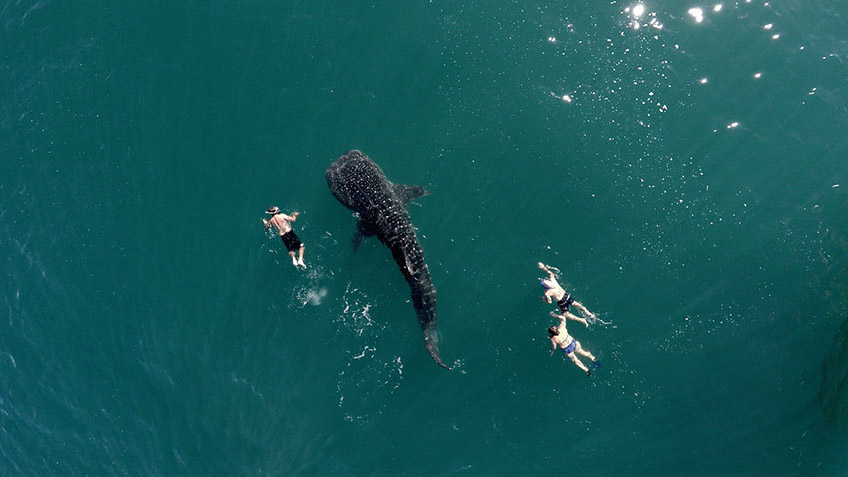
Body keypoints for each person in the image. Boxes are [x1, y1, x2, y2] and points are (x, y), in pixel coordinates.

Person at [548, 311, 597, 376]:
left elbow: (554, 347)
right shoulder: (562, 328)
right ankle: (592, 358)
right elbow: (563, 318)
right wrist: (555, 315)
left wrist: (552, 350)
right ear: (556, 328)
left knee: (576, 361)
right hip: (573, 343)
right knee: (583, 352)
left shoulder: (553, 338)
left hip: (567, 349)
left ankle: (587, 370)